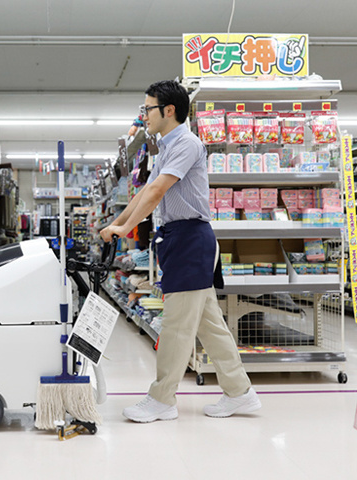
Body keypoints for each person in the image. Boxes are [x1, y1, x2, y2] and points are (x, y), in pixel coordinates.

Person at [100, 80, 261, 423]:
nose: (143, 115)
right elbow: (143, 195)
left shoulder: (186, 143)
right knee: (210, 325)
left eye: (148, 109)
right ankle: (240, 392)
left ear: (168, 110)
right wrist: (117, 224)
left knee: (174, 324)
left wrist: (122, 228)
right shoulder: (166, 147)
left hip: (190, 240)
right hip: (180, 239)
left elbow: (157, 192)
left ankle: (162, 399)